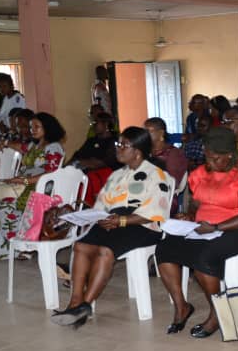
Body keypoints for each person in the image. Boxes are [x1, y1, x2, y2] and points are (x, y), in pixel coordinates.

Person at [155, 127, 238, 338]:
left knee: (204, 256)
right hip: (203, 228)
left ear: (230, 154)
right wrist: (188, 216)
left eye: (216, 159)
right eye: (207, 157)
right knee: (165, 248)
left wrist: (216, 228)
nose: (210, 163)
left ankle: (217, 313)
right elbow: (195, 205)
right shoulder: (201, 173)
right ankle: (182, 307)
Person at [52, 127, 171, 327]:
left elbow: (155, 214)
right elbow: (102, 204)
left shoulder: (156, 175)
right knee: (81, 246)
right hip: (113, 221)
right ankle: (75, 301)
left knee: (105, 251)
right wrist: (86, 214)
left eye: (124, 145)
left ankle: (85, 305)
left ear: (138, 151)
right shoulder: (117, 175)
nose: (118, 149)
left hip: (142, 225)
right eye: (118, 144)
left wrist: (121, 221)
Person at [0, 112, 66, 260]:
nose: (32, 130)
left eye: (37, 126)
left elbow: (51, 174)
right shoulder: (33, 146)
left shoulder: (54, 147)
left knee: (4, 206)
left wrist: (25, 181)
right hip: (22, 183)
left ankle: (19, 249)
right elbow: (20, 147)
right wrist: (5, 144)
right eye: (31, 127)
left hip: (40, 187)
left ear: (47, 128)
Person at [70, 112, 121, 207]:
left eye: (96, 123)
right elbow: (77, 156)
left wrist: (87, 162)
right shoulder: (91, 141)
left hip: (106, 174)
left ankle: (88, 206)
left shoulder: (114, 141)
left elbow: (105, 162)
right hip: (86, 171)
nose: (94, 125)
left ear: (106, 124)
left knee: (90, 178)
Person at [144, 117, 187, 190]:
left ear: (161, 133)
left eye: (148, 131)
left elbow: (172, 183)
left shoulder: (173, 153)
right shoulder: (146, 151)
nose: (144, 134)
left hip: (163, 195)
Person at [0, 74, 26, 141]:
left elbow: (21, 118)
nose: (1, 89)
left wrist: (9, 128)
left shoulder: (18, 98)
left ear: (11, 86)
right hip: (6, 134)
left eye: (4, 86)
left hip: (16, 134)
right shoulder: (4, 99)